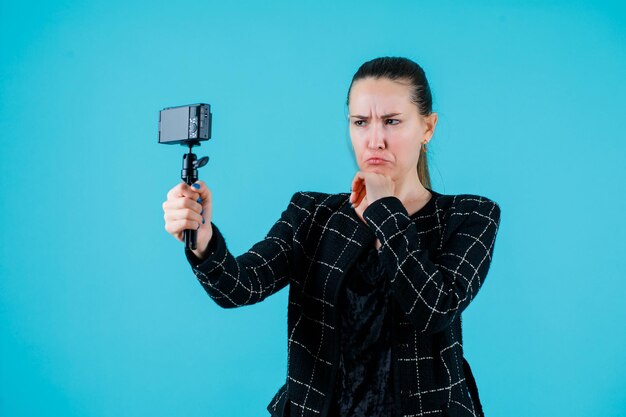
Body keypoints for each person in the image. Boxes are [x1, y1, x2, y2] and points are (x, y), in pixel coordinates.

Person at [162, 56, 501, 417]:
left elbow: (433, 309)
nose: (375, 140)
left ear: (428, 127)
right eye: (360, 122)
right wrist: (202, 240)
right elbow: (241, 287)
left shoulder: (469, 216)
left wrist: (384, 207)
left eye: (392, 121)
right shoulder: (312, 213)